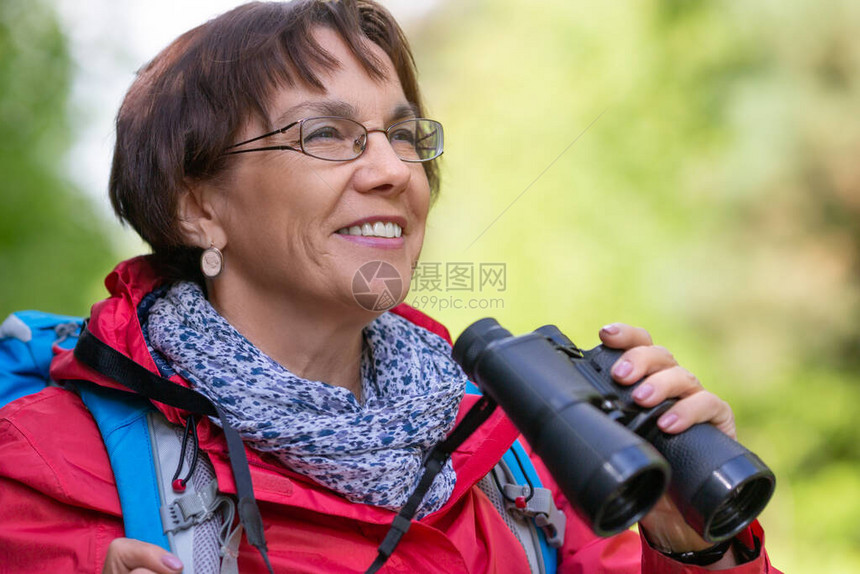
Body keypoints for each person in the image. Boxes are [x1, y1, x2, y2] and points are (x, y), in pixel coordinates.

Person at [0, 1, 780, 572]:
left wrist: (695, 548)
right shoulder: (48, 463)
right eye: (327, 134)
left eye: (404, 135)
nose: (392, 170)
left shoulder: (519, 453)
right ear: (198, 207)